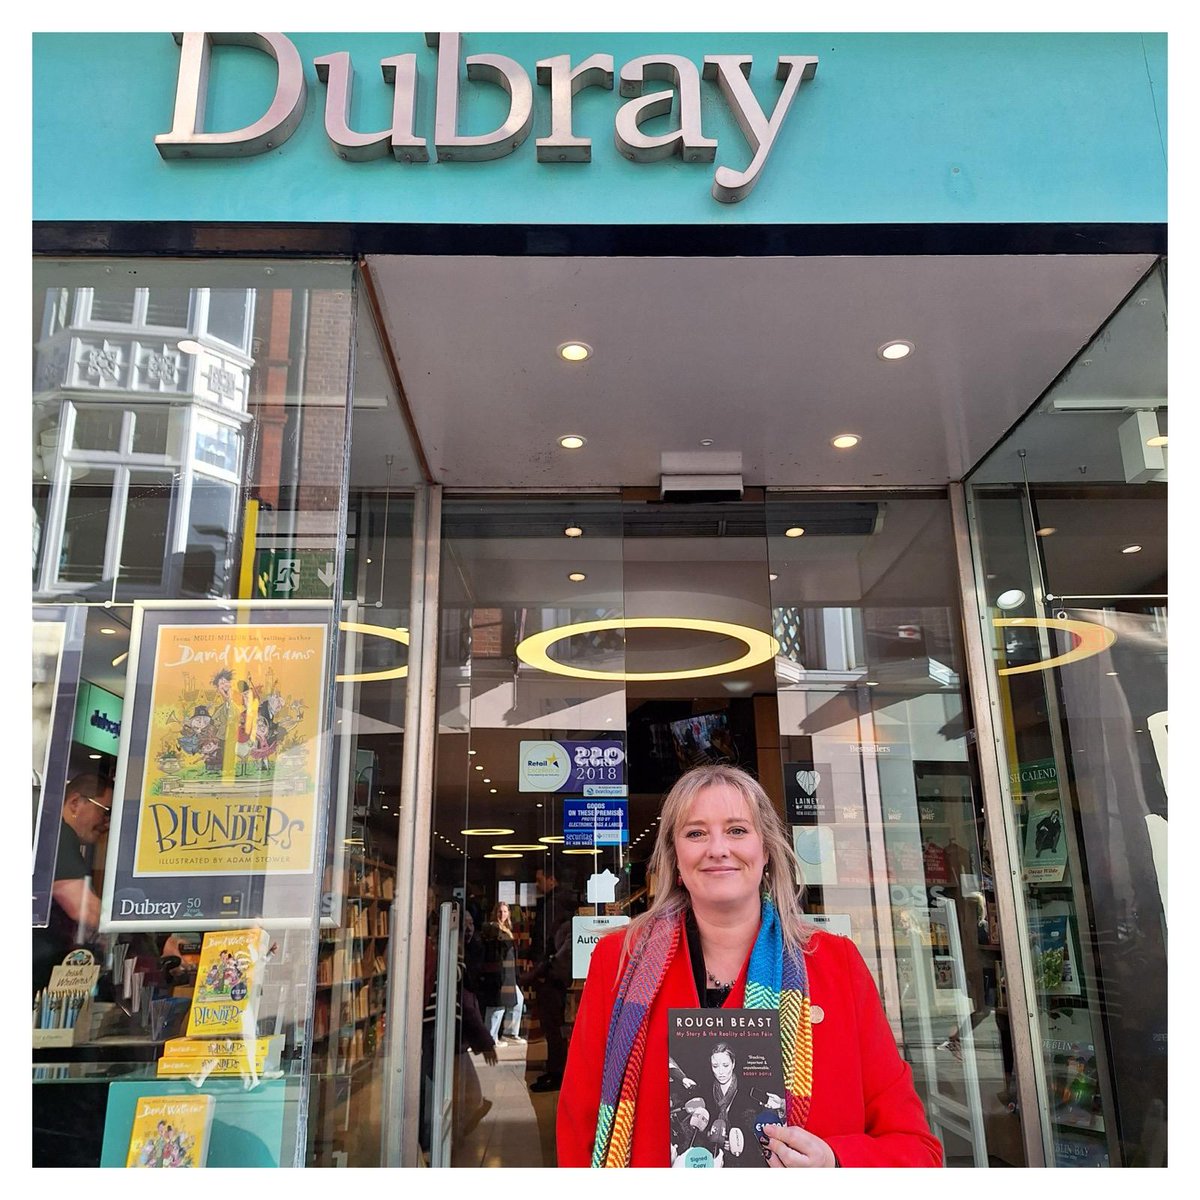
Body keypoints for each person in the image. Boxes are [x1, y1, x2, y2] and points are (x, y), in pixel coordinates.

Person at [557, 764, 943, 1167]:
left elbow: (916, 1149)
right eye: (695, 833)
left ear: (767, 850)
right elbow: (578, 1129)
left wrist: (836, 1163)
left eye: (737, 830)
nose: (718, 848)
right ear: (675, 857)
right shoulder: (619, 960)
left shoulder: (835, 963)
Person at [32, 772, 111, 994]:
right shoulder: (58, 835)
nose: (107, 823)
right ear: (75, 803)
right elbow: (85, 909)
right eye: (105, 812)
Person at [527, 869, 575, 1092]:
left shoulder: (554, 905)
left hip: (552, 974)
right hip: (554, 973)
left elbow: (550, 942)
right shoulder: (557, 903)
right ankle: (556, 1070)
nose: (537, 885)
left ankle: (557, 1073)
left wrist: (543, 969)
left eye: (539, 880)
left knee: (553, 1026)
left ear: (551, 878)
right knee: (554, 1026)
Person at [480, 901, 525, 1045]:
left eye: (505, 911)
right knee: (497, 1006)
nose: (502, 914)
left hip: (509, 974)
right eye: (500, 911)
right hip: (501, 974)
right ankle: (491, 1037)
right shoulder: (493, 929)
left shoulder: (506, 929)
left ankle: (510, 1033)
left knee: (518, 1001)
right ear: (495, 912)